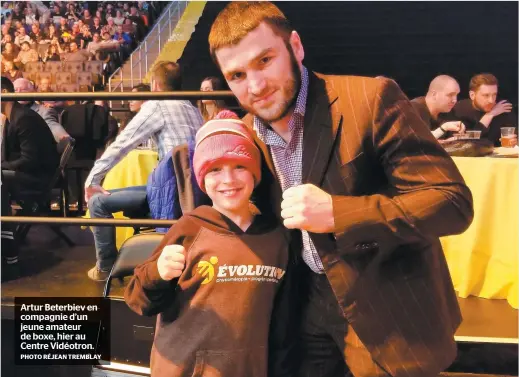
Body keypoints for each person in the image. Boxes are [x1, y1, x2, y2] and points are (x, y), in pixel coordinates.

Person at [167, 2, 475, 377]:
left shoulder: (371, 99)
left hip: (383, 310)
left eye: (265, 61)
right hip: (303, 310)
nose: (256, 86)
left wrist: (339, 214)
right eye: (237, 75)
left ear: (295, 47)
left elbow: (451, 201)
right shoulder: (246, 134)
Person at [125, 118, 293, 377]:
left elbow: (283, 319)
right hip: (185, 369)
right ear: (202, 178)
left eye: (240, 166)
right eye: (215, 169)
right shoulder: (189, 228)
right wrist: (158, 273)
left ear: (255, 173)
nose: (228, 179)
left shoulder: (277, 237)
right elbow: (139, 300)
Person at [84, 61, 203, 281]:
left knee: (96, 202)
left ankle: (105, 268)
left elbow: (123, 144)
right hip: (194, 194)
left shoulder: (158, 105)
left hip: (170, 193)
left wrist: (93, 179)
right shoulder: (194, 110)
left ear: (155, 85)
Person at [1, 76, 59, 278]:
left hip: (35, 180)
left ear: (5, 93)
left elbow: (29, 160)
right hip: (24, 175)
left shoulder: (23, 117)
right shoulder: (12, 117)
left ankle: (6, 240)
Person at [452, 73, 517, 146]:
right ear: (472, 95)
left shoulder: (504, 107)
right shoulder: (459, 109)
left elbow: (514, 138)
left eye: (494, 94)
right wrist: (490, 115)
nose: (491, 100)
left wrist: (514, 142)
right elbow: (466, 142)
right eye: (486, 95)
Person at [13, 78, 70, 143]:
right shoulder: (5, 113)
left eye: (23, 89)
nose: (19, 92)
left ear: (32, 92)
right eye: (15, 90)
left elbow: (52, 125)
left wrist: (63, 138)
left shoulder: (44, 112)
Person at [411, 75, 466, 139]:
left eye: (456, 95)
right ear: (434, 95)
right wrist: (444, 128)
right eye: (450, 95)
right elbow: (417, 140)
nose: (455, 100)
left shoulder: (447, 111)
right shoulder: (413, 108)